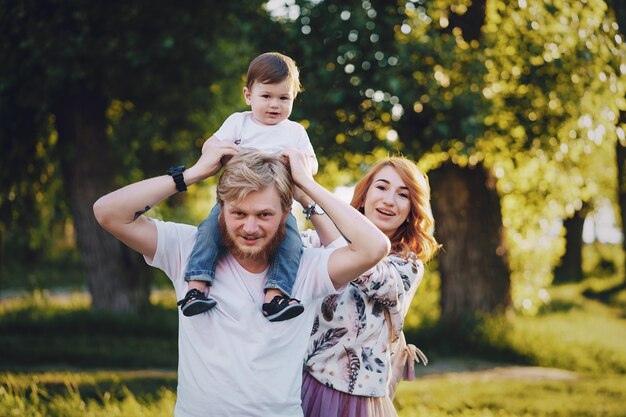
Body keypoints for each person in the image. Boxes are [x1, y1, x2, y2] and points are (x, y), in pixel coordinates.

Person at [92, 145, 390, 417]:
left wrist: (307, 186)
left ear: (286, 213)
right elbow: (108, 212)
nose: (250, 227)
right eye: (238, 213)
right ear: (220, 209)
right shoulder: (187, 250)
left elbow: (374, 247)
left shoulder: (307, 266)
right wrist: (194, 174)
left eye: (264, 214)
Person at [180, 51, 318, 321]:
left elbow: (311, 165)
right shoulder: (238, 122)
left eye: (284, 98)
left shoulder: (294, 132)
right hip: (235, 203)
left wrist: (296, 162)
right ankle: (196, 287)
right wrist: (221, 149)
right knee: (208, 230)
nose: (274, 105)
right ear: (248, 95)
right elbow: (209, 146)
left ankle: (275, 295)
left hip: (277, 207)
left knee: (292, 241)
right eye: (266, 96)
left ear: (293, 100)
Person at [298, 157, 440, 417]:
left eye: (403, 195)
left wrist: (307, 192)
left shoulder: (407, 266)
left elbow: (364, 264)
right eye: (382, 187)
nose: (389, 200)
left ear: (412, 209)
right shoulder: (317, 241)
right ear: (364, 196)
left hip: (356, 402)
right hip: (303, 386)